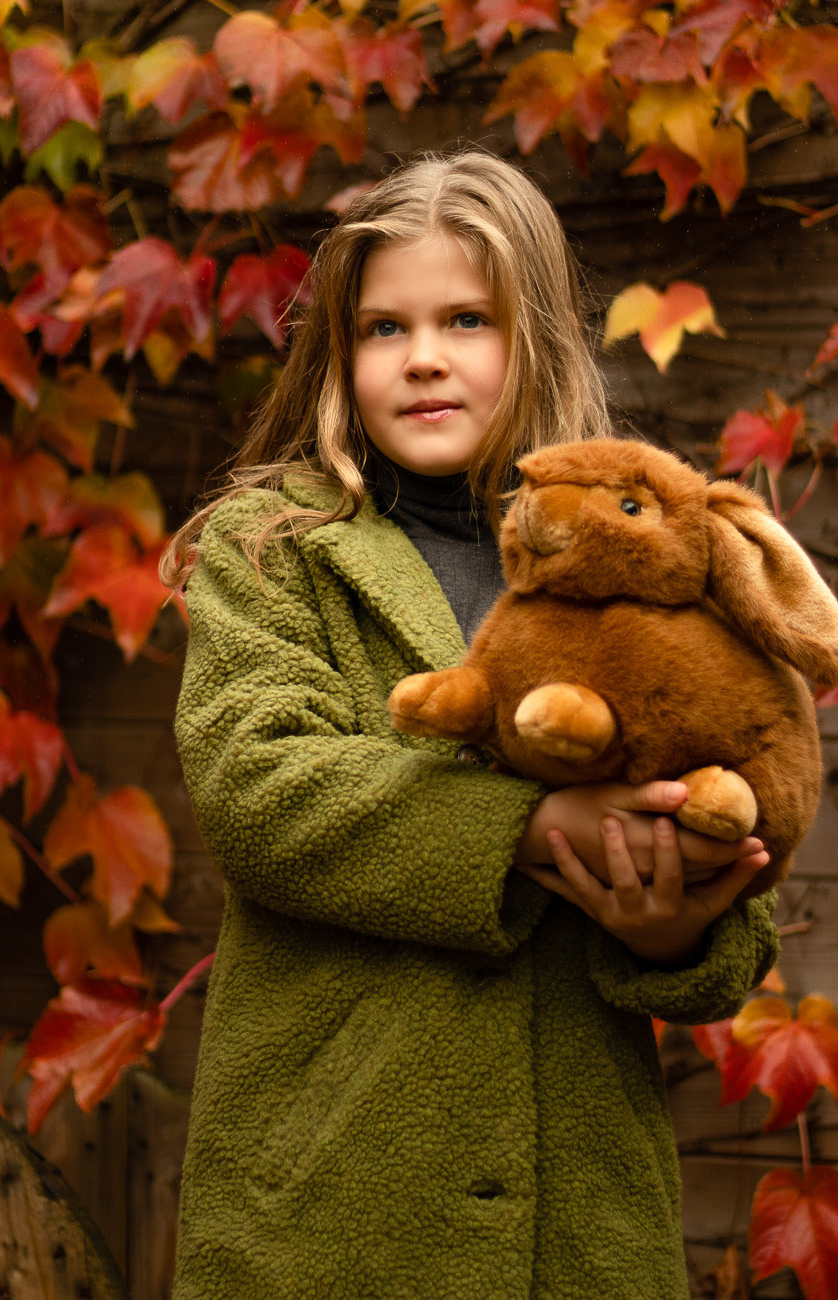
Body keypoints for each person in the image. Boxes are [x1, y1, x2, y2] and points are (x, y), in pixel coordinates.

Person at [162, 150, 777, 1300]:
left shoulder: (640, 564)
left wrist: (671, 931)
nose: (424, 356)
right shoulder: (274, 550)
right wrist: (533, 828)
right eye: (384, 329)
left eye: (465, 319)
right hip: (328, 1201)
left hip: (576, 1216)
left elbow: (741, 864)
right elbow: (260, 789)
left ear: (535, 337)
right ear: (338, 354)